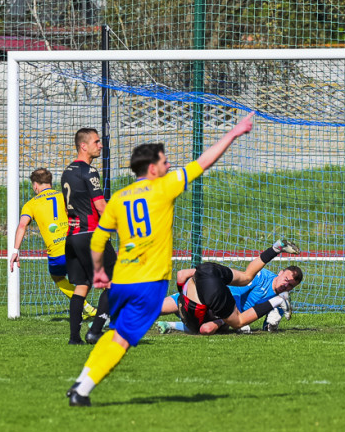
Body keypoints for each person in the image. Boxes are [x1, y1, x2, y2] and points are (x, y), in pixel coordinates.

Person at [65, 113, 254, 406]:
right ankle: (82, 391)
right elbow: (205, 161)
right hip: (148, 284)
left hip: (122, 280)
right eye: (165, 162)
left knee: (116, 335)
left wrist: (99, 271)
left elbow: (100, 238)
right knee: (122, 340)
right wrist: (234, 133)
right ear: (152, 168)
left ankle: (81, 382)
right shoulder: (164, 187)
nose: (169, 166)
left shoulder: (120, 197)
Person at [157, 241, 304, 335]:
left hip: (206, 274)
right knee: (227, 323)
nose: (286, 285)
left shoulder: (281, 295)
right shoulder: (264, 276)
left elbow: (181, 274)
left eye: (290, 285)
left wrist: (272, 324)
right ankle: (275, 249)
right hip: (220, 300)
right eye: (286, 280)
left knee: (246, 277)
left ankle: (275, 248)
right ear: (280, 273)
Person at [9, 168, 96, 320]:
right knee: (88, 276)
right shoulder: (63, 196)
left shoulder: (31, 204)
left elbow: (22, 226)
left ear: (35, 185)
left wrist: (16, 250)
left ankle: (86, 307)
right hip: (76, 245)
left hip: (57, 252)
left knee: (57, 277)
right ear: (50, 182)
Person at [60, 128, 116, 345]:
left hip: (73, 236)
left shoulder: (67, 171)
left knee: (82, 286)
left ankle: (74, 338)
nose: (100, 145)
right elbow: (100, 206)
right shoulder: (89, 171)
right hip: (91, 235)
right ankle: (95, 330)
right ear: (83, 146)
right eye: (96, 142)